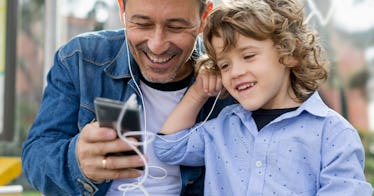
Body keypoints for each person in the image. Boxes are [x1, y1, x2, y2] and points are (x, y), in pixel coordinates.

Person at [153, 0, 374, 195]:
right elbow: (168, 147)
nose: (236, 71)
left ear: (289, 54)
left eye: (248, 56)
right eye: (224, 65)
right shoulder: (224, 126)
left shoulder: (333, 133)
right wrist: (198, 92)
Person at [21, 0, 235, 195]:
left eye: (176, 27)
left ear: (203, 18)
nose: (156, 45)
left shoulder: (231, 73)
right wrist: (76, 161)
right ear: (122, 10)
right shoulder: (79, 59)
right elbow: (35, 157)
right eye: (142, 24)